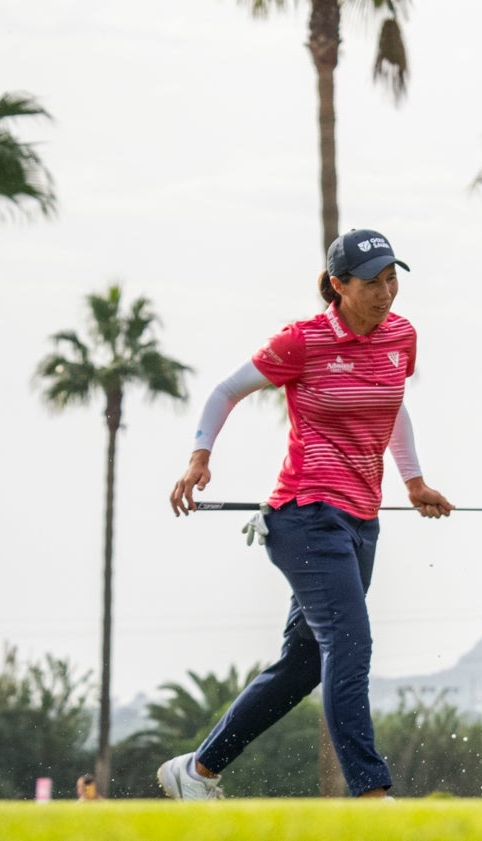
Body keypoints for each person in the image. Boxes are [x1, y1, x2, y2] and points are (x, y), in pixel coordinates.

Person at [159, 228, 454, 799]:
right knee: (350, 641)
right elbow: (225, 391)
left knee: (301, 665)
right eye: (372, 283)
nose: (387, 293)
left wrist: (413, 481)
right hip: (304, 516)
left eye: (393, 279)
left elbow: (390, 405)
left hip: (361, 521)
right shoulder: (303, 342)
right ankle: (371, 795)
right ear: (339, 286)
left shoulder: (401, 336)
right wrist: (200, 457)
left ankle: (196, 772)